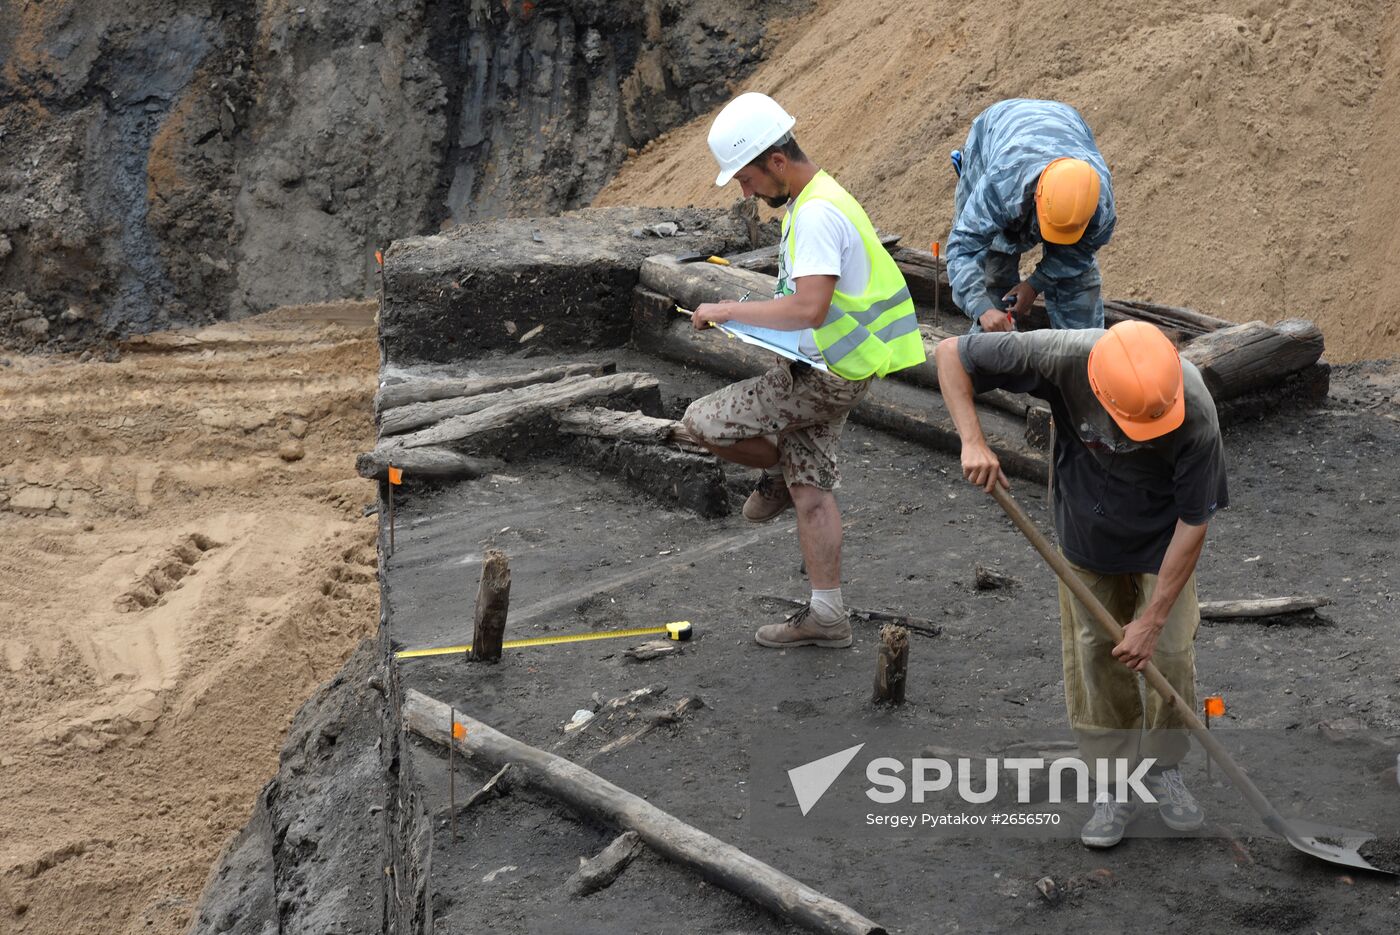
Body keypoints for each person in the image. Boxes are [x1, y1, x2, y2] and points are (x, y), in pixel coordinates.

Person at [934, 321, 1227, 848]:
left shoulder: (1196, 413)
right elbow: (952, 352)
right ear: (1100, 390)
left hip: (1162, 541)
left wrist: (1152, 619)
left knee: (1173, 650)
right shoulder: (1062, 356)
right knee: (1095, 652)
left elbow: (1194, 522)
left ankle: (1162, 769)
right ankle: (1113, 781)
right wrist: (972, 441)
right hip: (1085, 530)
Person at [681, 91, 924, 649]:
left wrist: (728, 309)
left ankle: (774, 476)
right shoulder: (821, 195)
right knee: (812, 490)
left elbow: (808, 309)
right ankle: (828, 616)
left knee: (702, 422)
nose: (744, 192)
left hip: (824, 374)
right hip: (847, 366)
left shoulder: (813, 213)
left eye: (745, 179)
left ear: (776, 162)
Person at [946, 99, 1115, 333]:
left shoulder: (1100, 203)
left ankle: (1083, 354)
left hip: (1065, 122)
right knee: (996, 260)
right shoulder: (1001, 184)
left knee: (1078, 281)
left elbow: (1079, 253)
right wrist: (982, 309)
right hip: (997, 128)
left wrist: (1034, 285)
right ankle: (993, 341)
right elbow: (964, 247)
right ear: (1037, 197)